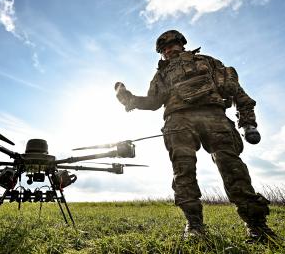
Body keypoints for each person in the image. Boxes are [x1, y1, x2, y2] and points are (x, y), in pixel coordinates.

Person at [115, 30, 276, 242]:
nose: (169, 50)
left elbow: (236, 91)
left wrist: (248, 123)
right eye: (164, 49)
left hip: (213, 115)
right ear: (161, 53)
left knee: (231, 166)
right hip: (178, 121)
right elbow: (153, 102)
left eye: (173, 45)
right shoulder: (161, 74)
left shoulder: (208, 62)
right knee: (183, 171)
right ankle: (194, 226)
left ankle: (256, 225)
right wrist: (128, 99)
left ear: (182, 44)